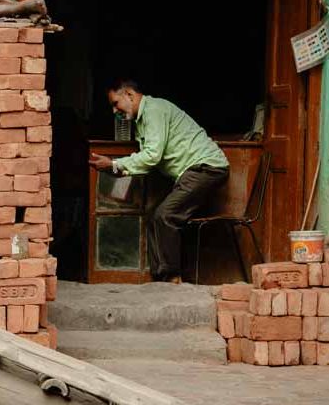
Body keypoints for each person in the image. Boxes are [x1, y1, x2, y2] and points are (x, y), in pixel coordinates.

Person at [88, 79, 229, 284]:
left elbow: (152, 156)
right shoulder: (142, 120)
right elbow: (148, 158)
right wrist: (117, 170)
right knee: (157, 216)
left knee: (165, 215)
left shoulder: (154, 110)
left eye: (115, 103)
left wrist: (114, 165)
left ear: (129, 94)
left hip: (207, 168)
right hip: (192, 171)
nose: (114, 110)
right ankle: (160, 278)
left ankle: (172, 278)